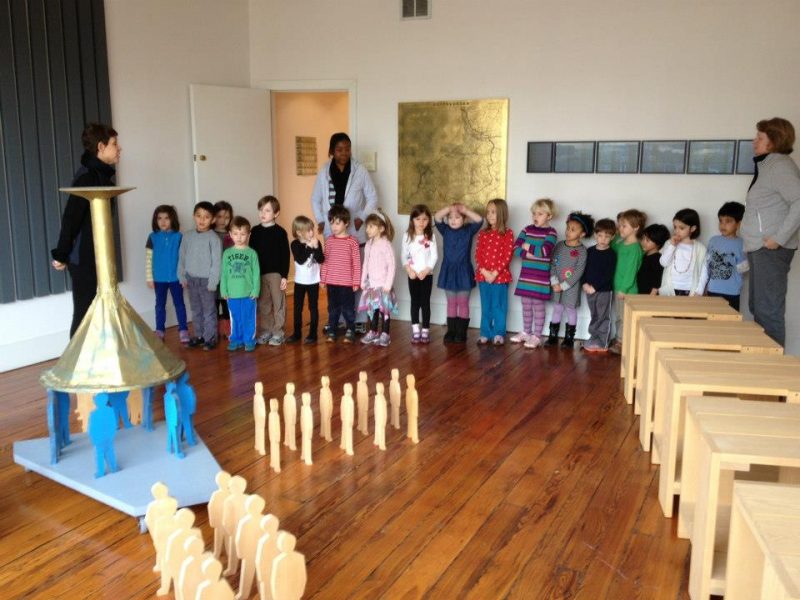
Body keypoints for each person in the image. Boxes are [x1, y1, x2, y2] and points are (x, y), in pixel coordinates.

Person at [51, 123, 120, 337]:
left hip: (98, 257)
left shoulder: (100, 175)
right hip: (84, 260)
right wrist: (61, 254)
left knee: (101, 312)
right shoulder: (87, 177)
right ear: (101, 147)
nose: (119, 149)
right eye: (114, 144)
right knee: (84, 314)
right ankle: (74, 367)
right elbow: (71, 218)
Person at [742, 118, 800, 345]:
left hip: (770, 250)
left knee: (768, 312)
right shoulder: (769, 166)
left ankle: (773, 374)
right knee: (759, 308)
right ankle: (763, 365)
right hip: (759, 248)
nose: (754, 141)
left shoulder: (780, 166)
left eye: (760, 137)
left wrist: (778, 238)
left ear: (773, 141)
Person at [510, 198, 558, 349]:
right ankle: (526, 332)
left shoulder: (551, 232)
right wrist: (527, 253)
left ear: (549, 216)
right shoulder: (526, 229)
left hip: (540, 278)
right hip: (526, 276)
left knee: (538, 305)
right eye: (534, 214)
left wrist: (527, 245)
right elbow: (515, 248)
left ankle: (537, 335)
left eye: (540, 214)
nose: (535, 217)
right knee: (526, 304)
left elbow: (544, 251)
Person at [433, 203, 484, 343]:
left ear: (464, 219)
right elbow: (437, 217)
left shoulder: (469, 230)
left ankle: (461, 332)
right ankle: (451, 331)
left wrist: (466, 210)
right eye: (450, 217)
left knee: (462, 303)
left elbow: (480, 220)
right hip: (448, 271)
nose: (453, 220)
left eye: (457, 217)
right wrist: (448, 208)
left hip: (463, 271)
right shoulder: (445, 230)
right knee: (451, 302)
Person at [543, 212, 592, 349]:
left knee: (570, 310)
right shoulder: (559, 245)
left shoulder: (582, 251)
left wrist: (563, 286)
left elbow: (578, 272)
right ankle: (552, 336)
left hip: (571, 287)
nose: (568, 232)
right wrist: (554, 282)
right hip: (556, 285)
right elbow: (552, 264)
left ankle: (569, 339)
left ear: (582, 234)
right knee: (557, 308)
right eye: (568, 228)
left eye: (573, 230)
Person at [178, 201, 222, 350]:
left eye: (206, 217)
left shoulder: (214, 239)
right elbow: (182, 257)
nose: (202, 220)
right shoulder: (187, 236)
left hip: (207, 281)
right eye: (198, 216)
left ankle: (210, 338)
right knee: (196, 309)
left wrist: (213, 281)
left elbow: (217, 263)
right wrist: (182, 276)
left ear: (213, 220)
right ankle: (199, 335)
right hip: (191, 279)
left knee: (209, 310)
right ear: (193, 216)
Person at [249, 195, 290, 346]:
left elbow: (285, 255)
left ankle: (278, 332)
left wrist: (284, 276)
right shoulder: (255, 231)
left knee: (278, 303)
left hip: (276, 274)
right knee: (263, 304)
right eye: (260, 210)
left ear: (276, 213)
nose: (262, 214)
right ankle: (266, 330)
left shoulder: (280, 232)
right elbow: (252, 254)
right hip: (259, 274)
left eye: (267, 210)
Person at [146, 205, 189, 344]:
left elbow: (183, 259)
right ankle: (160, 330)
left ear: (172, 219)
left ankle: (183, 330)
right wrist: (149, 278)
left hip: (176, 278)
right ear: (155, 220)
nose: (163, 221)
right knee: (159, 305)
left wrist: (183, 276)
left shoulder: (179, 237)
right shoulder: (152, 237)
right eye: (159, 218)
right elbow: (148, 259)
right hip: (159, 279)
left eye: (167, 218)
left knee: (179, 304)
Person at [475, 198, 514, 346]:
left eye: (494, 212)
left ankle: (498, 333)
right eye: (488, 212)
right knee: (486, 306)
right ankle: (485, 333)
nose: (490, 215)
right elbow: (478, 254)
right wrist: (485, 272)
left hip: (500, 277)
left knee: (499, 306)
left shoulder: (508, 233)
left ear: (502, 214)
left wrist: (495, 273)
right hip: (483, 276)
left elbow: (507, 255)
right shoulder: (483, 233)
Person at [320, 205, 361, 343]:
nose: (334, 226)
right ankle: (332, 329)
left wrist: (356, 282)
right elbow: (325, 261)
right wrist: (323, 279)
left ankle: (350, 328)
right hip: (332, 283)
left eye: (337, 223)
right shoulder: (329, 241)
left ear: (346, 223)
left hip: (347, 283)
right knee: (332, 308)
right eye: (331, 223)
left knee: (348, 308)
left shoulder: (353, 242)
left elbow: (356, 264)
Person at [220, 216, 260, 352]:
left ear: (248, 235)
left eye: (243, 234)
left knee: (248, 317)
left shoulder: (252, 253)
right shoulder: (227, 253)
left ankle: (249, 339)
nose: (239, 237)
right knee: (235, 318)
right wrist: (223, 290)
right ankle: (236, 339)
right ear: (230, 234)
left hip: (249, 293)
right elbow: (224, 273)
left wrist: (255, 290)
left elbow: (256, 274)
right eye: (236, 234)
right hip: (232, 294)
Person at [359, 209, 398, 347]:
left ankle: (385, 333)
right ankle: (374, 331)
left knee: (384, 311)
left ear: (381, 228)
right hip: (372, 285)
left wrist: (388, 285)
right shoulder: (368, 244)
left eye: (371, 226)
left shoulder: (386, 245)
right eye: (367, 226)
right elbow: (365, 263)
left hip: (383, 286)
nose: (367, 229)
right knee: (373, 310)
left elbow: (392, 265)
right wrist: (363, 280)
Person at [610, 208, 646, 354]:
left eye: (624, 226)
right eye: (620, 225)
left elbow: (631, 271)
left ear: (636, 228)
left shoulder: (635, 248)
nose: (620, 228)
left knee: (625, 318)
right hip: (617, 287)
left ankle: (622, 343)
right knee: (619, 316)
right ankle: (620, 339)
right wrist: (616, 234)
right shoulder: (621, 244)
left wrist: (624, 289)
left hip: (627, 291)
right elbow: (611, 246)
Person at [402, 204, 438, 344]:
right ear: (412, 220)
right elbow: (403, 256)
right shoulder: (407, 236)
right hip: (413, 275)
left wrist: (427, 270)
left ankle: (425, 331)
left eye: (424, 219)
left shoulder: (431, 236)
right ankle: (415, 330)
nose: (421, 222)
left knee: (425, 303)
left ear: (429, 220)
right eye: (418, 219)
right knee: (415, 302)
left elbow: (434, 256)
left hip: (426, 275)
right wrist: (409, 270)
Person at [582, 219, 617, 352]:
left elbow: (608, 274)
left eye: (607, 236)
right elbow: (584, 269)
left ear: (612, 237)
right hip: (589, 290)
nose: (603, 239)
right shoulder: (590, 251)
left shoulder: (611, 254)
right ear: (595, 235)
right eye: (600, 235)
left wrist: (595, 287)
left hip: (604, 291)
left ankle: (603, 342)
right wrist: (584, 283)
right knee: (594, 315)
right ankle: (594, 337)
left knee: (603, 316)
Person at [287, 216, 324, 344]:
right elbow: (301, 259)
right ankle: (297, 333)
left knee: (313, 307)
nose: (312, 233)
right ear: (298, 232)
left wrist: (315, 247)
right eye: (308, 230)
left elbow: (321, 259)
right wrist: (309, 247)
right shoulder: (295, 244)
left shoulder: (316, 242)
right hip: (300, 282)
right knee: (298, 308)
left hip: (313, 281)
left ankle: (313, 334)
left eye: (312, 229)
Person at [705, 201, 748, 310]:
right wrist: (704, 286)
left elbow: (744, 269)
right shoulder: (713, 241)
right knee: (712, 320)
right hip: (713, 289)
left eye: (728, 221)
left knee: (730, 322)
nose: (723, 225)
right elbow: (707, 265)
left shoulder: (742, 243)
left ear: (738, 224)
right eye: (721, 221)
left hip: (732, 291)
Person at [659, 208, 707, 296]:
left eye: (681, 228)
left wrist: (699, 291)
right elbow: (664, 263)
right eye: (675, 227)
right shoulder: (669, 243)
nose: (677, 231)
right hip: (669, 290)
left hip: (690, 291)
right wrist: (672, 246)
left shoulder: (700, 248)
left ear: (692, 228)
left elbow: (704, 272)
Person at [213, 201, 234, 337]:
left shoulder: (232, 235)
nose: (222, 220)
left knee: (227, 305)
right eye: (219, 216)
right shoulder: (210, 234)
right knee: (213, 305)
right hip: (214, 276)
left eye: (226, 217)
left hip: (228, 276)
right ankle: (214, 331)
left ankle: (228, 330)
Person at [637, 224, 670, 296]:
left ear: (658, 243)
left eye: (647, 240)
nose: (643, 242)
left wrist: (652, 294)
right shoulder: (644, 255)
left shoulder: (658, 259)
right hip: (641, 293)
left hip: (649, 295)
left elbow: (657, 279)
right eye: (643, 238)